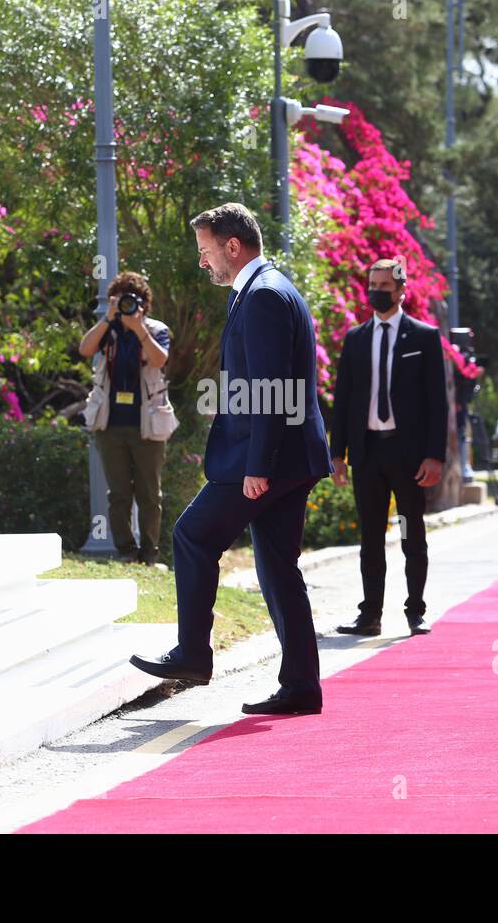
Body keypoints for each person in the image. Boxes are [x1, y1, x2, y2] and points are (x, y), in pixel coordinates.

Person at [129, 203, 333, 715]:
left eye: (206, 250)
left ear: (233, 246)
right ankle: (302, 687)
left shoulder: (263, 295)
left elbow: (269, 388)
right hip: (290, 457)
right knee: (278, 569)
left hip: (266, 460)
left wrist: (257, 466)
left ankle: (193, 654)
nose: (203, 261)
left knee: (192, 535)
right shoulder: (266, 288)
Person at [329, 259, 447, 637]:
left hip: (408, 457)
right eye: (373, 285)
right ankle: (370, 615)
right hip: (368, 455)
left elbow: (437, 403)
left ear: (401, 291)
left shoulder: (423, 338)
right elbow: (343, 399)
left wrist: (435, 456)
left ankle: (416, 611)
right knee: (371, 538)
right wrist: (337, 453)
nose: (376, 292)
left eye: (384, 286)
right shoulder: (356, 339)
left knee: (411, 534)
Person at [78, 271, 174, 565]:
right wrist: (108, 318)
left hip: (148, 422)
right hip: (110, 422)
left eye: (133, 300)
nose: (127, 305)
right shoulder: (109, 328)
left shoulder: (156, 329)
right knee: (118, 493)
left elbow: (159, 360)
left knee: (149, 494)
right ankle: (127, 552)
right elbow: (85, 349)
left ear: (144, 304)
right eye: (121, 299)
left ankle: (150, 553)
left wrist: (139, 329)